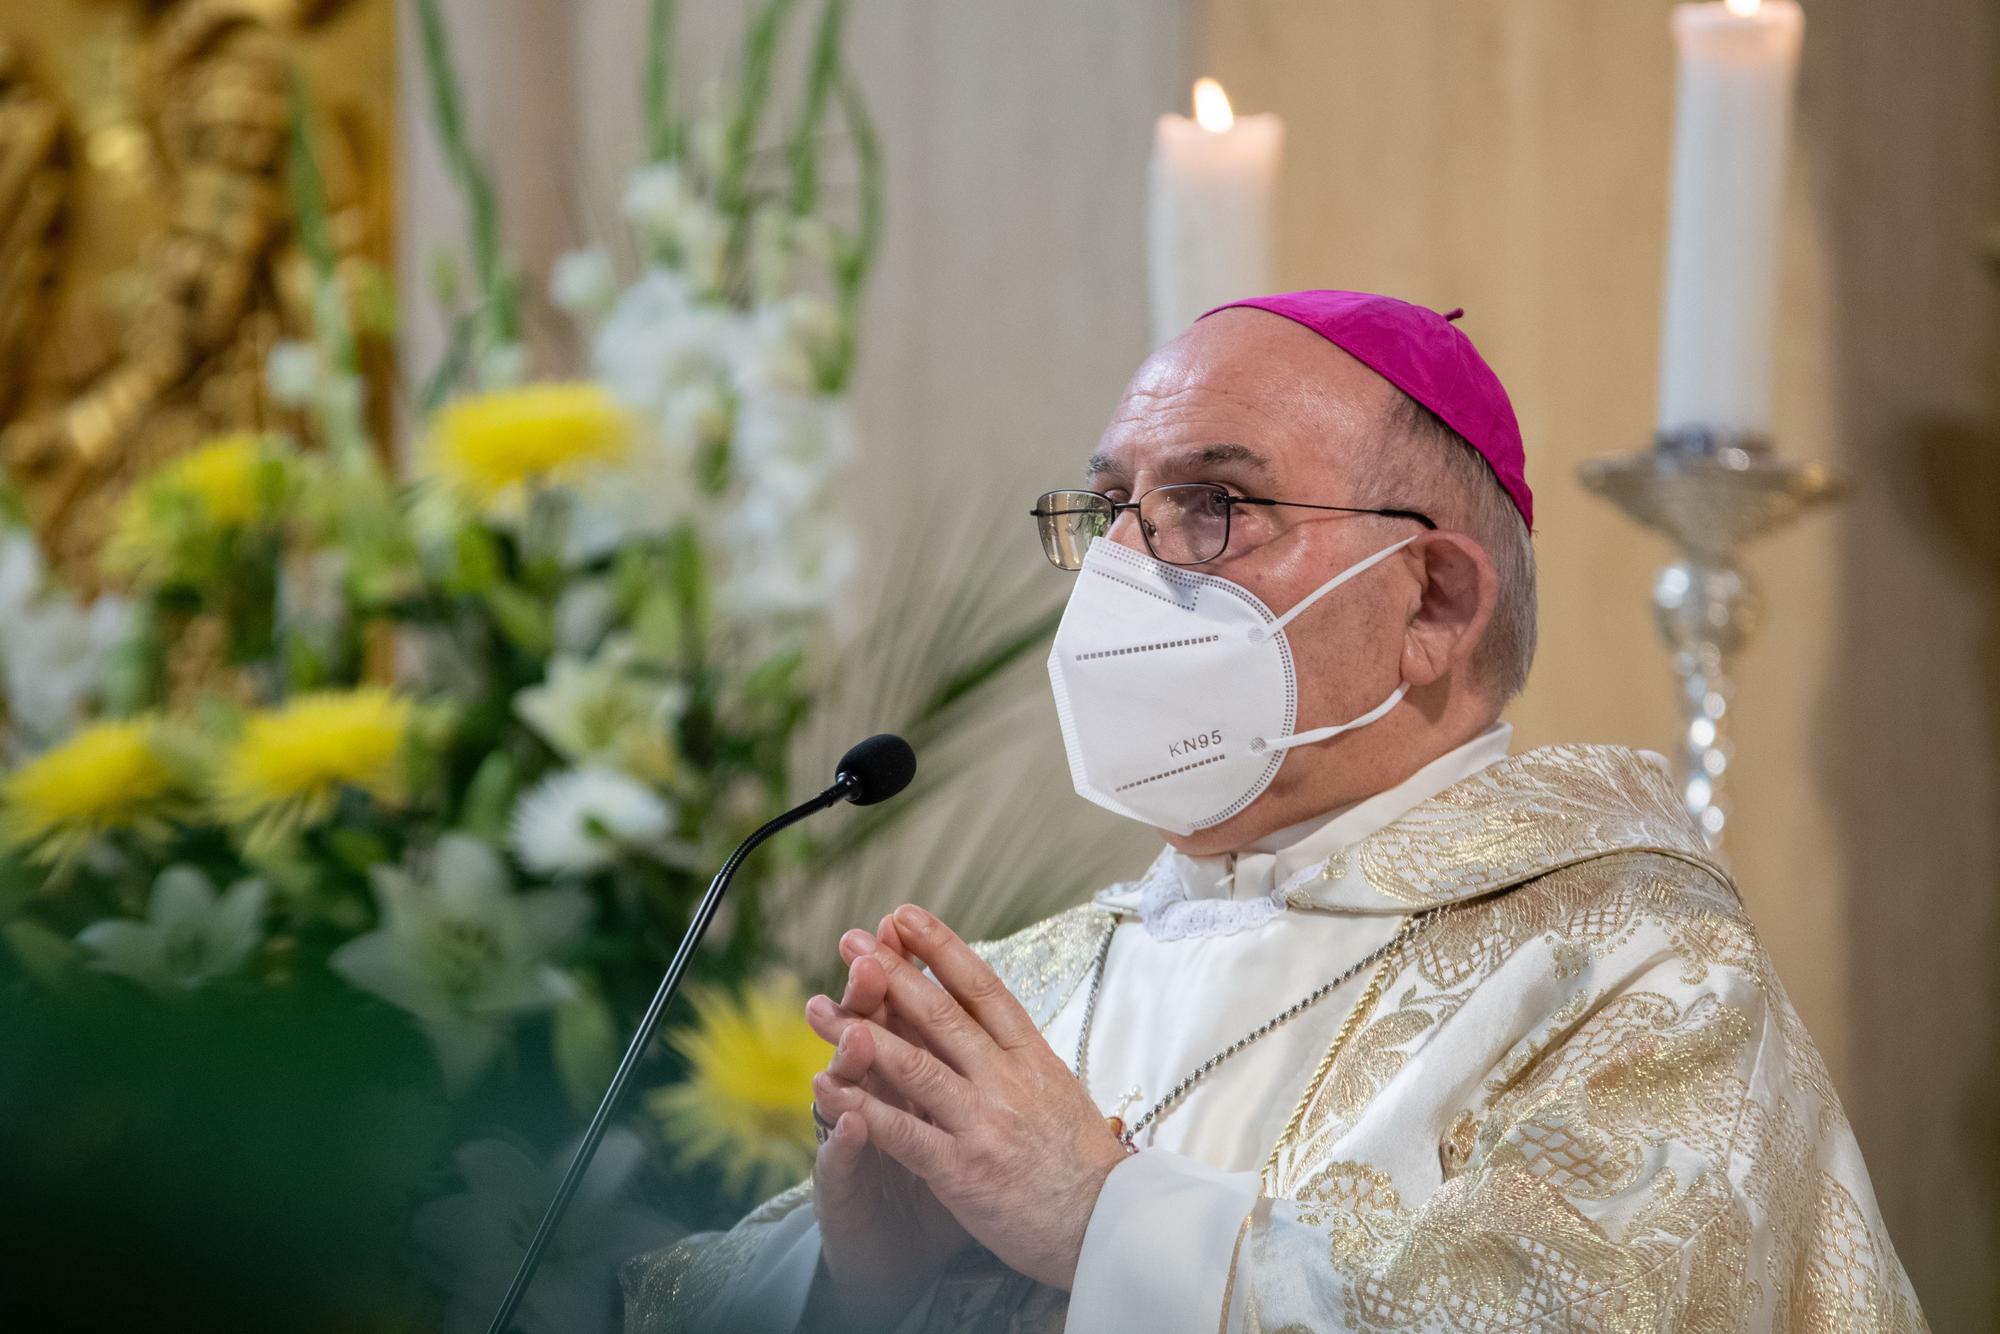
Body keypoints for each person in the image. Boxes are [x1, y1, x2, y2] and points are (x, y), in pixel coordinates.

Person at [623, 290, 1925, 1332]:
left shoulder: (1636, 979)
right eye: (1113, 506)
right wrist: (855, 1277)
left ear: (1434, 605)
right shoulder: (1041, 985)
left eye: (1214, 507)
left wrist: (1102, 1217)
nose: (1127, 564)